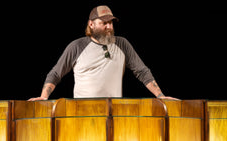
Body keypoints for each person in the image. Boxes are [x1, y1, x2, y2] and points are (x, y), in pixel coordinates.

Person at [28, 5, 178, 101]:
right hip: (82, 113)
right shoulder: (77, 47)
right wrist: (44, 96)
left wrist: (161, 96)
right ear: (91, 24)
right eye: (103, 23)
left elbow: (142, 72)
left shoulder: (122, 44)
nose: (109, 27)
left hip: (112, 114)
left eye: (111, 23)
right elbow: (55, 73)